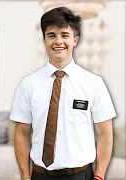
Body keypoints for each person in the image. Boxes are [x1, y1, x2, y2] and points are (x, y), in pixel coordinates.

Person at [10, 7, 115, 180]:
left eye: (64, 35)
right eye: (52, 35)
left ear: (75, 40)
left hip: (81, 175)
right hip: (39, 175)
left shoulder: (93, 83)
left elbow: (105, 133)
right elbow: (21, 133)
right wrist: (25, 176)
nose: (58, 41)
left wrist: (99, 176)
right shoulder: (28, 84)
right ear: (44, 40)